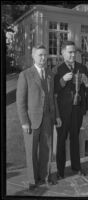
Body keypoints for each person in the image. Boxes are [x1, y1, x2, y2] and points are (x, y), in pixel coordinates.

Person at [16, 44, 62, 190]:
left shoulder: (50, 74)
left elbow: (52, 98)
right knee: (31, 150)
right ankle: (32, 180)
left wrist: (57, 116)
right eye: (40, 55)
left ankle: (45, 176)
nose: (43, 58)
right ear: (33, 56)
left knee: (46, 149)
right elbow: (20, 101)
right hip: (32, 120)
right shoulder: (25, 75)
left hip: (48, 118)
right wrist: (24, 122)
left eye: (45, 55)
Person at [54, 41, 88, 179]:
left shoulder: (82, 67)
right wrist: (62, 81)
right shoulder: (56, 69)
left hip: (77, 110)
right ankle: (60, 171)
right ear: (63, 53)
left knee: (75, 139)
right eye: (69, 52)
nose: (73, 54)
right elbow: (53, 91)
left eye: (74, 52)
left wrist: (87, 83)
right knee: (61, 140)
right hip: (63, 112)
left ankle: (76, 167)